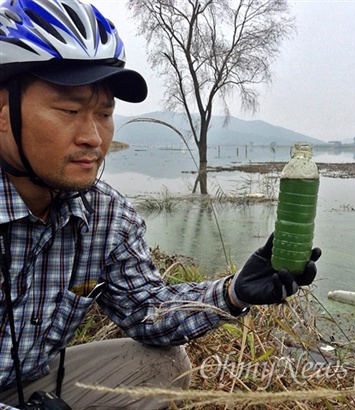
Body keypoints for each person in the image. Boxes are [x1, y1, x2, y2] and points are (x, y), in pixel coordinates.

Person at [0, 1, 321, 409]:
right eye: (69, 109)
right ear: (3, 112)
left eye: (103, 113)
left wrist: (233, 292)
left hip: (30, 380)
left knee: (161, 365)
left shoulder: (105, 216)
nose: (94, 138)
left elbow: (146, 312)